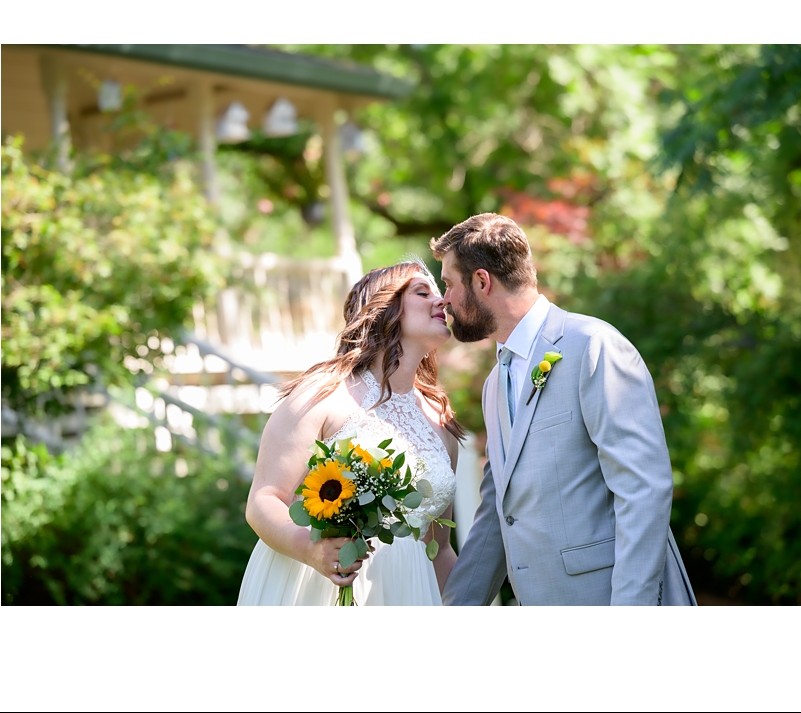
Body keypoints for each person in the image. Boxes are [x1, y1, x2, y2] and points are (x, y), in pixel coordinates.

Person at [434, 213, 694, 605]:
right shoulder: (493, 386)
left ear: (482, 281)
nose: (445, 299)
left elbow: (643, 489)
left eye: (449, 284)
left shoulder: (592, 347)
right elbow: (498, 512)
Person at [239, 263, 462, 604]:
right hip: (316, 589)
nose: (441, 301)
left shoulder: (440, 420)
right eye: (422, 292)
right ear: (384, 306)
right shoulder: (323, 394)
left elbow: (440, 550)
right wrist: (311, 550)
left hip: (406, 596)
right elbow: (263, 500)